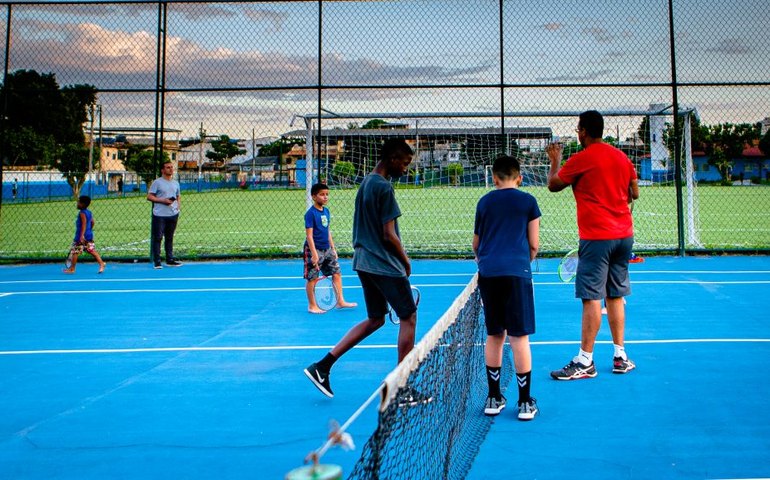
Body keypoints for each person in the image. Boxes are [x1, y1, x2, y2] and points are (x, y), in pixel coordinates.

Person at [304, 138, 419, 399]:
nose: (406, 168)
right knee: (408, 317)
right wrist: (405, 260)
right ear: (392, 159)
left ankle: (323, 366)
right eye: (404, 162)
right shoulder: (384, 188)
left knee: (376, 319)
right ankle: (401, 386)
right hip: (383, 264)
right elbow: (389, 235)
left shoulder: (367, 182)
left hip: (363, 263)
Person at [546, 110, 639, 380]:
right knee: (615, 296)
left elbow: (553, 185)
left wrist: (555, 161)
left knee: (592, 297)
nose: (578, 132)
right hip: (624, 237)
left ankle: (585, 360)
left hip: (597, 237)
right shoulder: (621, 157)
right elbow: (635, 192)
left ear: (583, 131)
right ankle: (621, 356)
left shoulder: (581, 159)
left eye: (578, 129)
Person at [473, 155, 540, 420]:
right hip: (517, 274)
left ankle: (493, 397)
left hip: (488, 274)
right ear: (520, 178)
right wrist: (522, 262)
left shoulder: (484, 202)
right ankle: (524, 402)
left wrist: (488, 262)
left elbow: (476, 245)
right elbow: (533, 244)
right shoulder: (528, 202)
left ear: (494, 178)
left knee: (495, 335)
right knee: (519, 338)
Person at [304, 182, 357, 313]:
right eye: (322, 195)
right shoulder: (310, 214)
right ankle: (312, 306)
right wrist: (314, 254)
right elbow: (309, 236)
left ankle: (340, 301)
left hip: (327, 249)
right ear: (314, 197)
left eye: (327, 194)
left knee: (337, 273)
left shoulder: (326, 211)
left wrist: (333, 248)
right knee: (313, 278)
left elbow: (327, 231)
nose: (325, 197)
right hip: (314, 250)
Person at [147, 160, 182, 269]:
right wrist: (163, 200)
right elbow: (150, 196)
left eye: (171, 167)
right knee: (158, 237)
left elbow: (178, 196)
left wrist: (178, 206)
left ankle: (169, 259)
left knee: (169, 237)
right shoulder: (157, 182)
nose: (171, 169)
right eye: (168, 167)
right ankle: (157, 261)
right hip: (160, 215)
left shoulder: (176, 183)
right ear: (162, 170)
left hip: (172, 214)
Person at [63, 195, 106, 274]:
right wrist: (89, 230)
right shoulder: (89, 212)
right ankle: (101, 264)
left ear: (82, 204)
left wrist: (82, 235)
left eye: (78, 202)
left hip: (81, 235)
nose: (77, 203)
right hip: (89, 235)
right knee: (91, 250)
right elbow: (92, 222)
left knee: (75, 252)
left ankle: (72, 269)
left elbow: (84, 224)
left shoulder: (82, 213)